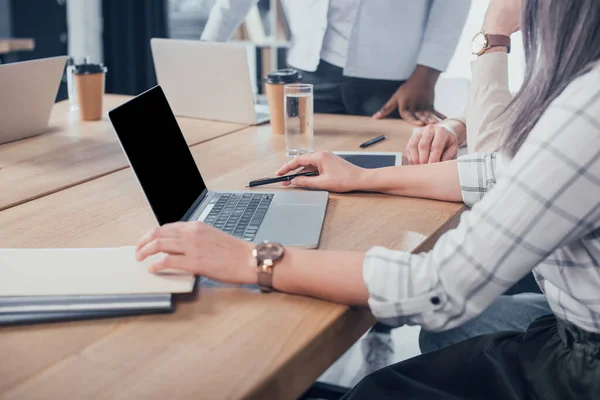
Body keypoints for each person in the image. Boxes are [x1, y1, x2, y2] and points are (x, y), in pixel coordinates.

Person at [137, 0, 600, 396]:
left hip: (583, 360)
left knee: (379, 390)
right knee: (448, 338)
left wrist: (254, 259)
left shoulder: (587, 105)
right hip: (568, 321)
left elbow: (439, 287)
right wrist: (364, 176)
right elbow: (504, 173)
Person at [200, 0, 471, 124]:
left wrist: (426, 76)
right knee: (300, 173)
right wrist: (201, 58)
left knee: (393, 179)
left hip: (394, 84)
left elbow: (452, 5)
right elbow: (231, 5)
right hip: (306, 76)